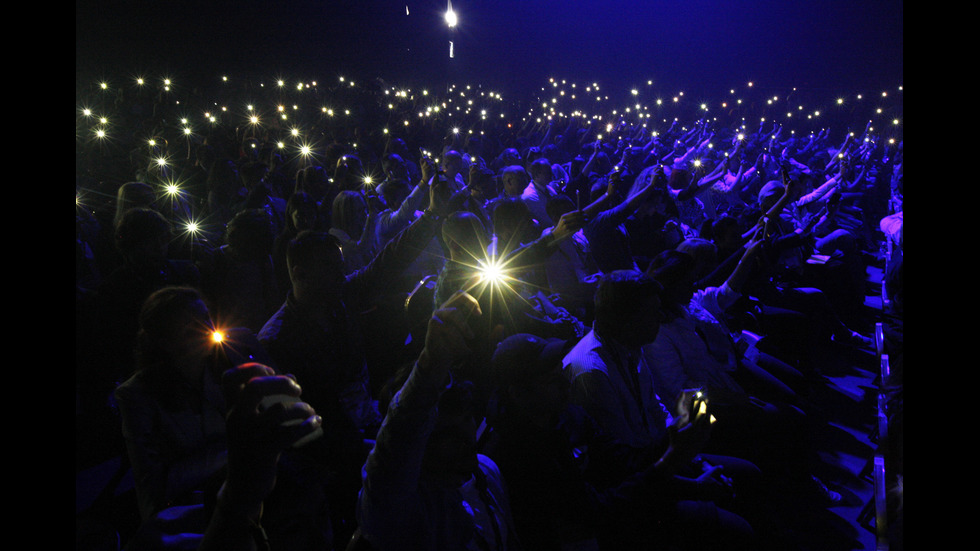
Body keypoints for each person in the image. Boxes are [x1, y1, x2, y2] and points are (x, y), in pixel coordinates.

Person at [356, 291, 521, 551]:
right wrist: (430, 366)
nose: (465, 438)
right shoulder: (402, 509)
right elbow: (396, 450)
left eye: (466, 419)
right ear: (422, 439)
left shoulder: (485, 471)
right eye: (448, 434)